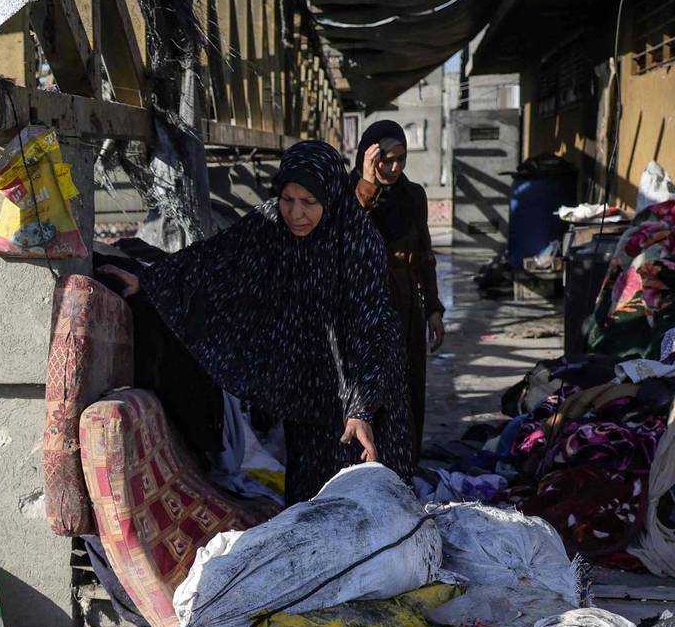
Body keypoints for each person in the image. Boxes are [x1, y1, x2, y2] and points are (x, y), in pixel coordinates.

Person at [100, 140, 412, 504]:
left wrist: (360, 408)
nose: (295, 213)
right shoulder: (271, 222)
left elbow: (368, 326)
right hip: (311, 381)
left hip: (367, 378)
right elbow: (215, 257)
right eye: (288, 198)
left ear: (330, 197)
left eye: (309, 202)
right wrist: (151, 281)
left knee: (366, 491)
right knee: (311, 491)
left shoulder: (358, 240)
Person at [352, 119, 446, 452]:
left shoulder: (413, 196)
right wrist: (366, 185)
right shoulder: (347, 194)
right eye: (385, 159)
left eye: (401, 159)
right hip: (362, 310)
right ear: (368, 156)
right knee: (368, 389)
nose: (394, 168)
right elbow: (346, 238)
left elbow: (424, 256)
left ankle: (405, 461)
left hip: (406, 308)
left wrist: (433, 308)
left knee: (408, 387)